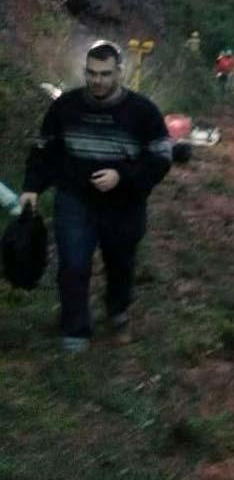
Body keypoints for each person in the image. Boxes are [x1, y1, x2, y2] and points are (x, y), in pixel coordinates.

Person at [19, 40, 172, 353]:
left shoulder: (142, 112)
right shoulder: (66, 107)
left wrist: (123, 176)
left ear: (119, 72)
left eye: (104, 74)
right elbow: (44, 149)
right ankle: (75, 330)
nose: (97, 81)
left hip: (124, 205)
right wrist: (32, 187)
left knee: (120, 264)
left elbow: (160, 157)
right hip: (75, 199)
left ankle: (118, 312)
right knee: (73, 264)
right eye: (91, 73)